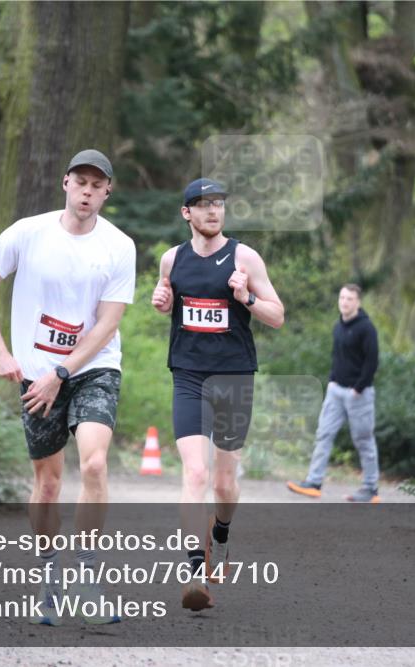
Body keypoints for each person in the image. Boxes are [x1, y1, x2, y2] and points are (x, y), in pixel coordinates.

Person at [0, 149, 135, 625]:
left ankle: (86, 578)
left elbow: (107, 324)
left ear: (107, 192)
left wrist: (62, 372)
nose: (86, 191)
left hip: (92, 369)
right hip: (34, 379)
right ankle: (48, 577)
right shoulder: (26, 232)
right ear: (65, 183)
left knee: (96, 463)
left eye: (96, 184)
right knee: (49, 483)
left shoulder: (119, 246)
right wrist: (0, 351)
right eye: (79, 181)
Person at [151, 178, 285, 611]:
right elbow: (172, 305)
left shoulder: (244, 257)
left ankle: (222, 533)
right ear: (186, 213)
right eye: (203, 205)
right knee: (194, 475)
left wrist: (245, 297)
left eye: (219, 205)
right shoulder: (172, 260)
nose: (213, 212)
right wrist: (161, 300)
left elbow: (277, 316)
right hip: (188, 376)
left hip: (233, 377)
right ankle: (193, 575)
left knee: (224, 484)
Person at [287, 284, 380, 503]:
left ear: (358, 302)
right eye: (342, 297)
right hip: (335, 391)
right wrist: (331, 381)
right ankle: (313, 482)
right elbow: (338, 357)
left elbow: (372, 362)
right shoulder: (339, 325)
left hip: (359, 394)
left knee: (363, 440)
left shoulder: (366, 328)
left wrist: (358, 387)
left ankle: (370, 488)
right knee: (324, 434)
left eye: (349, 299)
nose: (344, 302)